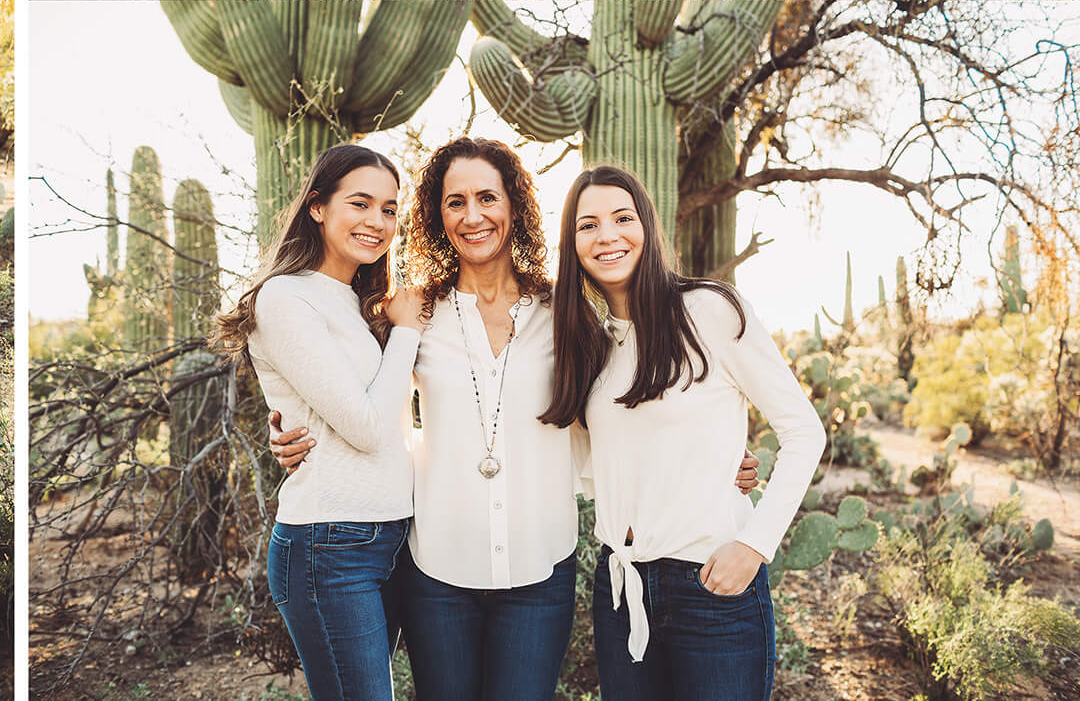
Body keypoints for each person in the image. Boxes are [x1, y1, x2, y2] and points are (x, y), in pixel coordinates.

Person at [271, 138, 760, 700]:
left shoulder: (567, 317)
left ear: (515, 206)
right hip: (437, 575)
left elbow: (630, 412)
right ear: (438, 216)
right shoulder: (410, 316)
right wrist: (286, 433)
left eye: (487, 197)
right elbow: (353, 397)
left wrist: (718, 462)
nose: (473, 216)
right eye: (455, 202)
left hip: (539, 574)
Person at [540, 167, 824, 701]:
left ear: (647, 226)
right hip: (621, 588)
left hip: (713, 583)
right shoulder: (593, 347)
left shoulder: (710, 310)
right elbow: (596, 467)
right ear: (572, 243)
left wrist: (754, 546)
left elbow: (804, 432)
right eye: (588, 225)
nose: (607, 236)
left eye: (623, 219)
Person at [213, 144, 422, 701]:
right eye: (360, 203)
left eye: (388, 209)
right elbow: (366, 426)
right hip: (331, 544)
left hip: (393, 534)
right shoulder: (285, 298)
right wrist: (406, 331)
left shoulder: (357, 302)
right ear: (317, 208)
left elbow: (382, 421)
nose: (376, 222)